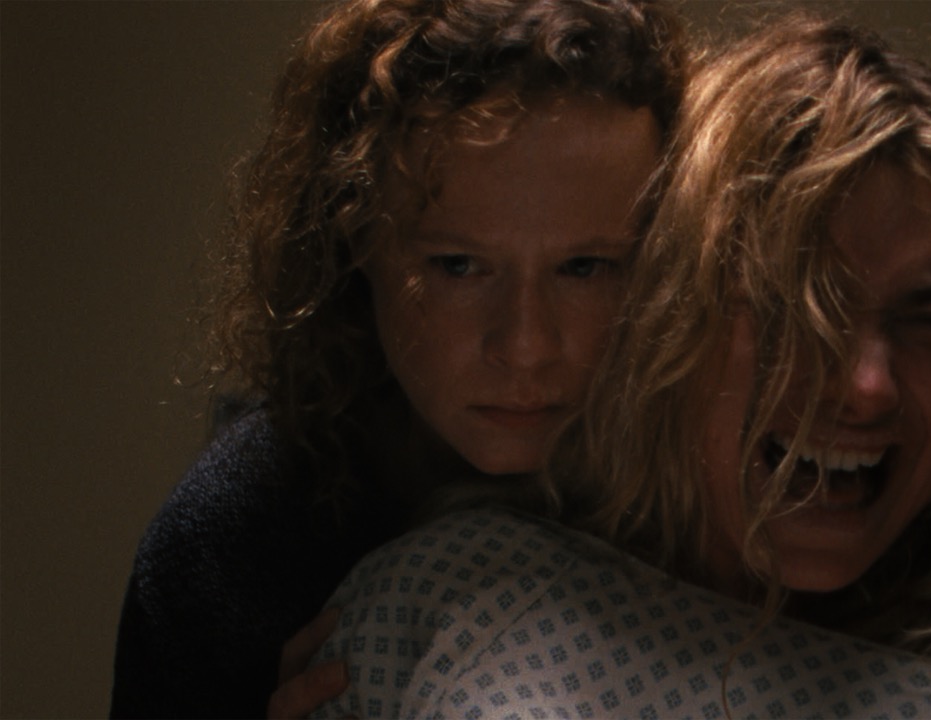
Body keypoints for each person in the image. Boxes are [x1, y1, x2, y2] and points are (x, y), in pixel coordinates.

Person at [308, 13, 931, 720]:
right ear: (670, 318)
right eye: (794, 309)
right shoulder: (453, 581)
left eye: (930, 321)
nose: (865, 386)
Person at [109, 0, 686, 717]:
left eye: (585, 268)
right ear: (355, 237)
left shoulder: (732, 488)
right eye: (457, 266)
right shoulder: (234, 546)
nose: (526, 346)